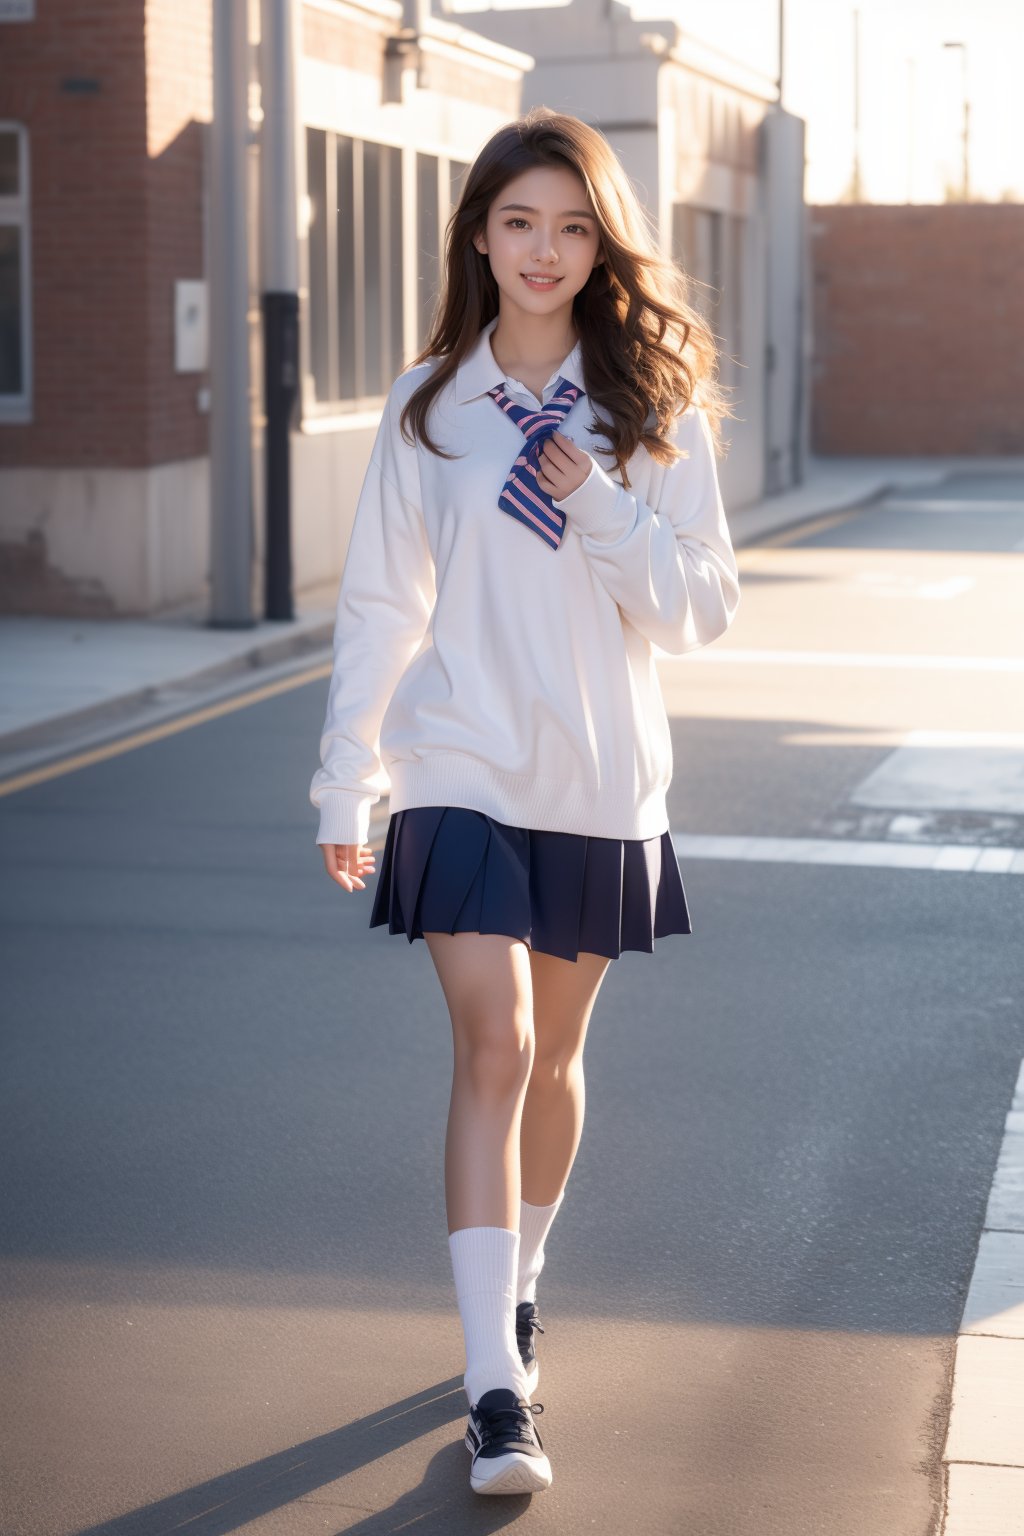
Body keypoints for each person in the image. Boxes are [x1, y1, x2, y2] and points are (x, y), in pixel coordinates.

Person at [310, 105, 741, 1497]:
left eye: (569, 225)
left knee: (553, 1061)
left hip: (600, 776)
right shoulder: (427, 400)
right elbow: (383, 603)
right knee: (490, 1044)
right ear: (479, 236)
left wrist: (609, 505)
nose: (543, 250)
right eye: (517, 222)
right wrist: (348, 775)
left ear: (599, 240)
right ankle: (497, 1388)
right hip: (458, 764)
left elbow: (700, 616)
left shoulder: (652, 406)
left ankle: (524, 1282)